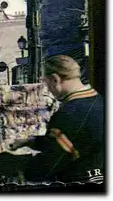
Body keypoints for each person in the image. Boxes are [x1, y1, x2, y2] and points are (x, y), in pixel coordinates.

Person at [9, 55, 104, 183]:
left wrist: (21, 169)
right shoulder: (100, 100)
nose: (47, 89)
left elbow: (50, 163)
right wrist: (29, 141)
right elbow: (73, 140)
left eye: (46, 83)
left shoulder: (68, 114)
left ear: (55, 79)